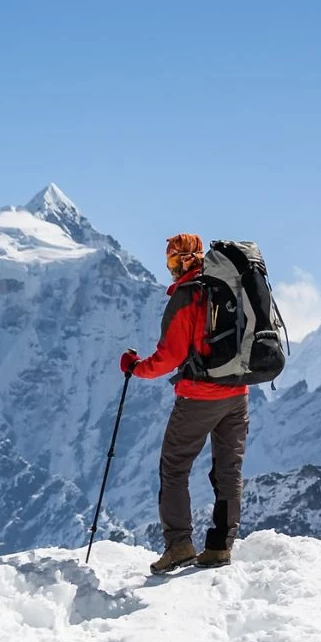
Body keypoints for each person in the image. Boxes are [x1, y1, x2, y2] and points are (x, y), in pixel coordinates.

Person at [120, 233, 248, 575]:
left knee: (174, 467)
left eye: (173, 262)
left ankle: (179, 545)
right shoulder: (229, 287)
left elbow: (169, 357)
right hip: (238, 393)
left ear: (182, 261)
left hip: (200, 395)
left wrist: (135, 368)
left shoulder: (187, 296)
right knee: (228, 470)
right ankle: (220, 546)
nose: (172, 269)